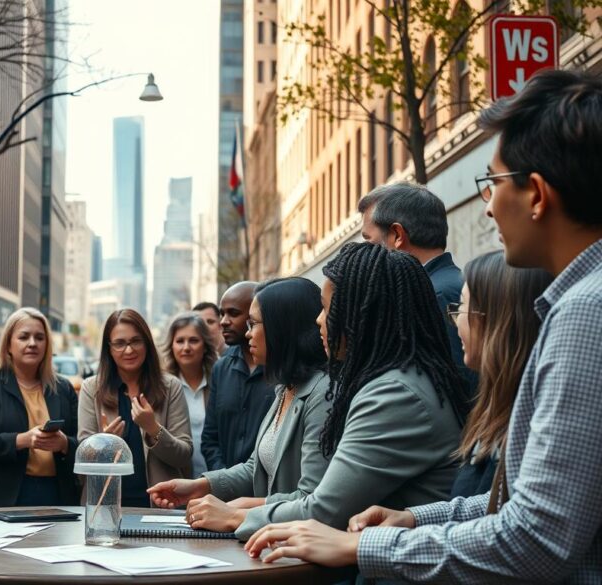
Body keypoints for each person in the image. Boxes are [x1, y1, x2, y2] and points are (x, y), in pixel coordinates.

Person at [244, 70, 602, 584]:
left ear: (538, 195)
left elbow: (537, 536)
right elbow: (517, 503)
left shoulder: (584, 313)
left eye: (493, 183)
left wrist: (368, 546)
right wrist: (415, 518)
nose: (487, 202)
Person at [234, 242, 467, 542]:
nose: (318, 320)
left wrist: (236, 516)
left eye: (327, 308)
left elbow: (324, 510)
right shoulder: (396, 381)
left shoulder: (394, 394)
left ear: (361, 315)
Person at [148, 278, 331, 537]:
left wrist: (238, 512)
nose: (247, 333)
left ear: (282, 329)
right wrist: (201, 486)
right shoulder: (284, 389)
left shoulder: (322, 393)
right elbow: (255, 466)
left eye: (253, 324)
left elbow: (311, 499)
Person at [358, 182, 475, 399]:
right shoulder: (451, 286)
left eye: (368, 240)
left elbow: (459, 392)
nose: (364, 253)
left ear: (397, 235)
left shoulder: (433, 297)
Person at [448, 251, 551, 497]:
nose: (455, 319)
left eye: (462, 306)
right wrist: (413, 517)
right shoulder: (497, 403)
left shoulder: (528, 419)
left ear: (495, 321)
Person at [77, 309, 193, 506]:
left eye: (136, 341)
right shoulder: (91, 389)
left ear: (147, 343)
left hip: (160, 506)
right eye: (120, 343)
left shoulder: (170, 387)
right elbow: (82, 463)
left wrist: (153, 429)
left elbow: (184, 455)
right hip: (104, 507)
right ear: (109, 348)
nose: (129, 350)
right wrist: (104, 444)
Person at [0, 308, 80, 508]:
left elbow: (81, 445)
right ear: (8, 344)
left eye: (39, 337)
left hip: (58, 494)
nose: (32, 343)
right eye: (24, 337)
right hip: (2, 497)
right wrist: (23, 440)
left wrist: (64, 444)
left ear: (47, 345)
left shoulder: (64, 389)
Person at [200, 281, 275, 471]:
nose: (223, 321)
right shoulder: (221, 368)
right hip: (225, 492)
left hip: (268, 493)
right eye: (222, 313)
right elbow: (210, 438)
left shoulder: (282, 372)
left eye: (233, 313)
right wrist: (223, 480)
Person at [160, 312, 218, 478]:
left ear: (205, 345)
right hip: (176, 479)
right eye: (180, 341)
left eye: (193, 340)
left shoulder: (219, 383)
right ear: (171, 346)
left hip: (216, 479)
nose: (186, 347)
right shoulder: (162, 388)